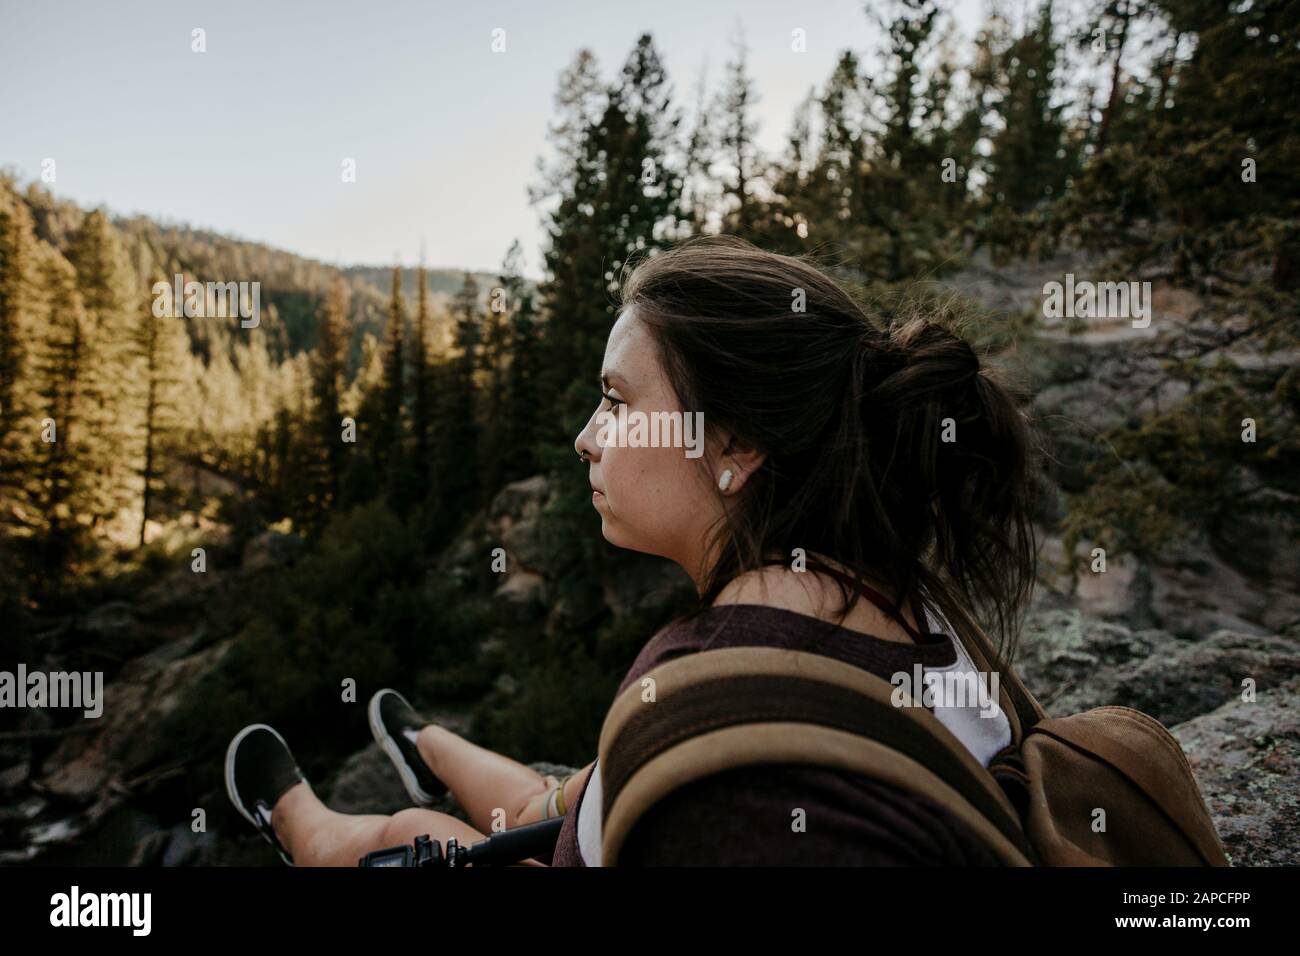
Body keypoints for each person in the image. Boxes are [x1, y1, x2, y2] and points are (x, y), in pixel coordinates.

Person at [226, 235, 1040, 866]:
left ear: (733, 442)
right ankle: (429, 746)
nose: (587, 439)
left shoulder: (714, 686)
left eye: (617, 401)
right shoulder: (919, 605)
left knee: (409, 834)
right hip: (648, 783)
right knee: (568, 795)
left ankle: (303, 828)